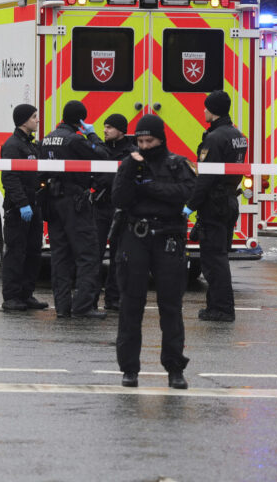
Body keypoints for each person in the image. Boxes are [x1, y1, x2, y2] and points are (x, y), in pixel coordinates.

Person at [111, 114, 196, 389]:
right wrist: (129, 171)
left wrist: (150, 188)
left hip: (167, 237)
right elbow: (120, 199)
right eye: (140, 141)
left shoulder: (177, 164)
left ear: (161, 139)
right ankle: (129, 369)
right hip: (136, 236)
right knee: (130, 304)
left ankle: (174, 368)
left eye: (150, 141)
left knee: (171, 306)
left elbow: (185, 193)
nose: (145, 146)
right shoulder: (129, 163)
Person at [40, 100, 110, 319]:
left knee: (60, 256)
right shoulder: (76, 139)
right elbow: (103, 156)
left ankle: (62, 307)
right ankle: (83, 307)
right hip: (75, 201)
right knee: (87, 254)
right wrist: (92, 135)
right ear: (81, 120)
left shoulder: (47, 138)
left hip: (53, 200)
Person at [186, 90, 248, 323]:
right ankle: (216, 307)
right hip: (228, 201)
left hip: (214, 204)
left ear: (213, 110)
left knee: (213, 261)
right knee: (218, 257)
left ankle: (221, 309)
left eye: (206, 107)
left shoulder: (214, 138)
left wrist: (190, 205)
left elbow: (206, 177)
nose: (203, 111)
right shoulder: (237, 135)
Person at [0, 104, 48, 312]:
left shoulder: (30, 145)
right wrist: (22, 204)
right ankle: (11, 297)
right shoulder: (12, 145)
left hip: (33, 206)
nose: (37, 120)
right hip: (19, 209)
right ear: (24, 120)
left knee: (33, 253)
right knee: (16, 254)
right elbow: (9, 178)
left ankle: (26, 295)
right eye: (34, 117)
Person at [92, 113, 137, 311]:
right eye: (104, 126)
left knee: (119, 255)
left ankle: (113, 297)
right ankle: (90, 299)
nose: (105, 130)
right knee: (95, 254)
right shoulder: (101, 149)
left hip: (121, 210)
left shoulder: (131, 152)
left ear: (120, 130)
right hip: (101, 207)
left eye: (109, 127)